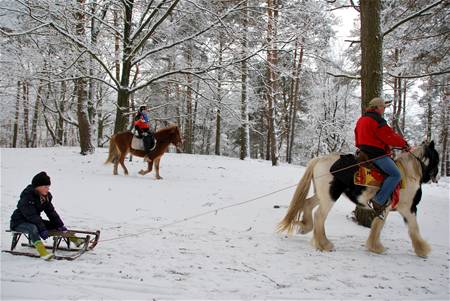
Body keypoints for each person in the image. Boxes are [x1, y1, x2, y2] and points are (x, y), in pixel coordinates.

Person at [354, 97, 410, 218]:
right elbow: (389, 136)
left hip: (363, 153)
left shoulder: (361, 119)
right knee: (396, 175)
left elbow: (357, 135)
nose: (384, 109)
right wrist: (404, 144)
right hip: (376, 155)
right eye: (383, 107)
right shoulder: (378, 120)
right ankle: (379, 200)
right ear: (377, 107)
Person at [10, 172, 70, 260]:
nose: (48, 189)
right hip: (19, 222)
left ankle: (75, 240)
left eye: (48, 187)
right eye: (45, 186)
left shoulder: (45, 197)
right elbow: (32, 216)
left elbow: (51, 212)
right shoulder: (27, 197)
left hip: (32, 220)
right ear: (37, 187)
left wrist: (59, 225)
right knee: (33, 228)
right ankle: (43, 252)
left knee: (53, 225)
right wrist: (42, 229)